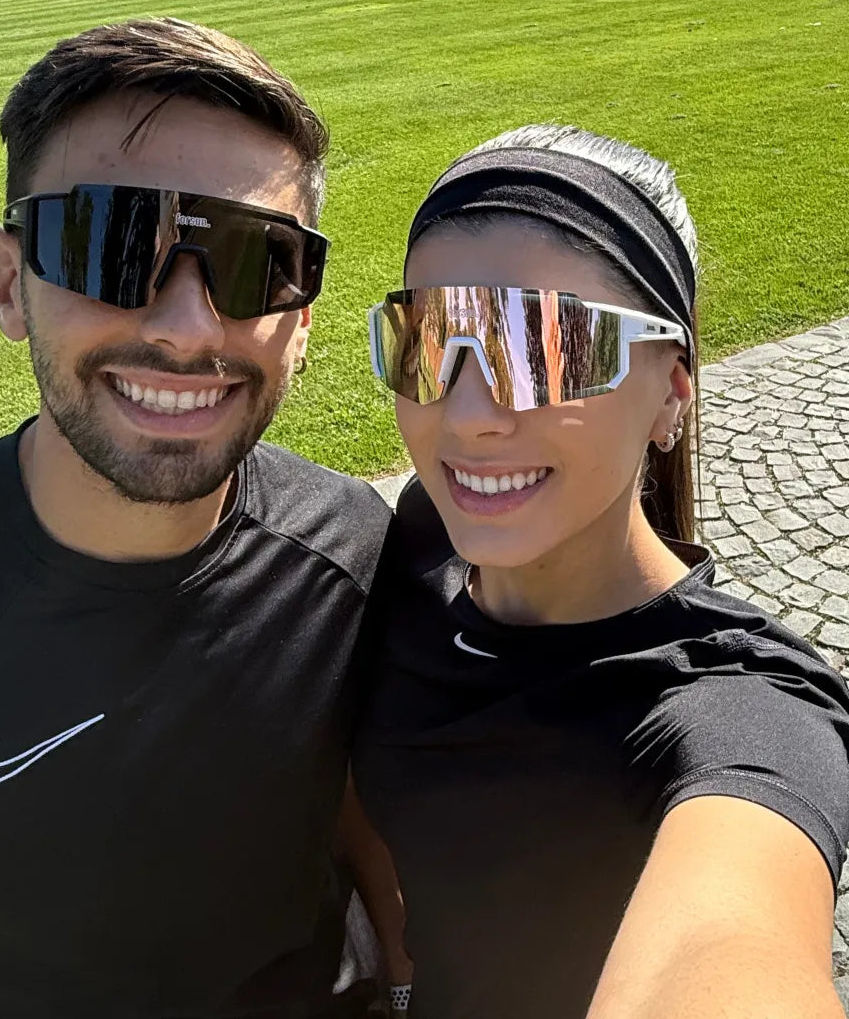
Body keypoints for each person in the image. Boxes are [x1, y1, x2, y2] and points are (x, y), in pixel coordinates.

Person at [0, 18, 405, 1019]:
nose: (185, 328)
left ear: (302, 320)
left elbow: (377, 838)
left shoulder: (356, 555)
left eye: (255, 261)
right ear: (9, 282)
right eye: (111, 245)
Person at [354, 124, 849, 1018]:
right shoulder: (426, 538)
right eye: (427, 340)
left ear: (672, 391)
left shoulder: (740, 712)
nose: (467, 416)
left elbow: (731, 942)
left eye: (543, 347)